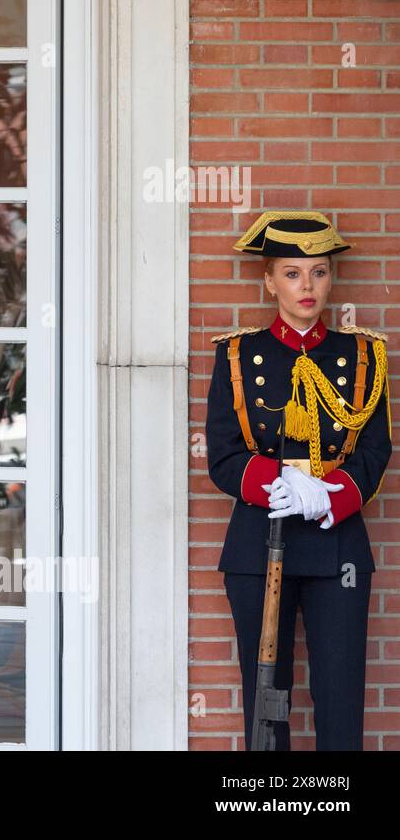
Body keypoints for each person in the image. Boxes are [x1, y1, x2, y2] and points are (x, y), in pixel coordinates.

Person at [205, 210, 391, 750]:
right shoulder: (238, 355)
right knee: (268, 703)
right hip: (259, 546)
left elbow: (376, 449)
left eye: (318, 272)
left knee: (340, 698)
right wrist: (279, 484)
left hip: (339, 545)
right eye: (291, 273)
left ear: (332, 278)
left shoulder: (363, 356)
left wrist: (330, 492)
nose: (306, 287)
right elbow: (222, 455)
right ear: (269, 281)